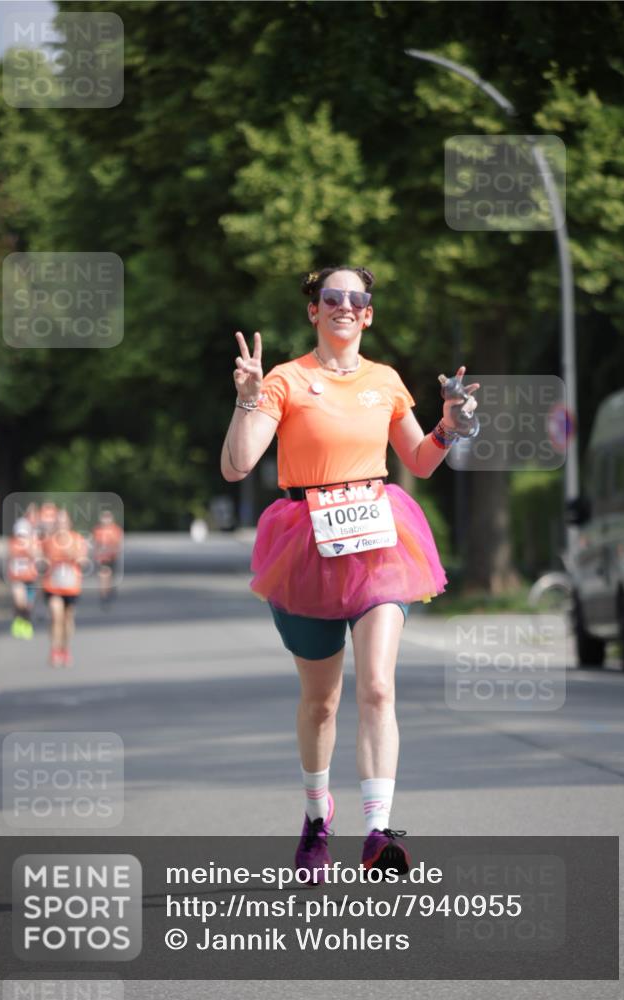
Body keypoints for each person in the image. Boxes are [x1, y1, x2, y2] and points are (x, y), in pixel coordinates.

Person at [221, 265, 480, 880]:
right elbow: (237, 465)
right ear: (314, 310)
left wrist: (450, 425)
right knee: (321, 703)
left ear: (368, 313)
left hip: (378, 540)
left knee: (379, 688)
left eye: (355, 299)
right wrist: (247, 397)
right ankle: (317, 817)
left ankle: (378, 831)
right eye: (330, 297)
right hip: (304, 543)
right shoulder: (286, 379)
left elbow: (419, 460)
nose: (343, 306)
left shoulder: (385, 380)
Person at [41, 509, 89, 667]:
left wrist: (74, 556)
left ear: (69, 523)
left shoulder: (77, 539)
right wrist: (44, 562)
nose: (61, 525)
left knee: (67, 619)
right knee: (56, 616)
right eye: (58, 522)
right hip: (52, 585)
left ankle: (65, 649)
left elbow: (84, 561)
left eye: (63, 522)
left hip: (71, 586)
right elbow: (41, 560)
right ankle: (54, 650)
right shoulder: (48, 540)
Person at [7, 518, 40, 639]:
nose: (21, 537)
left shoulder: (33, 543)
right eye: (19, 534)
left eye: (24, 534)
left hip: (30, 578)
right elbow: (9, 558)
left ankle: (26, 624)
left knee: (28, 605)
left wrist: (30, 549)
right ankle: (18, 622)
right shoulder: (12, 543)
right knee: (19, 601)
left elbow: (38, 556)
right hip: (17, 578)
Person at [92, 509, 123, 607]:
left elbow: (118, 544)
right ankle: (104, 595)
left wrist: (112, 550)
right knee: (103, 575)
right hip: (102, 558)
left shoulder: (115, 530)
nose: (105, 520)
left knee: (111, 576)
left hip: (112, 557)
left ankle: (109, 590)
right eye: (104, 517)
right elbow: (95, 543)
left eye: (107, 518)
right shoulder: (97, 530)